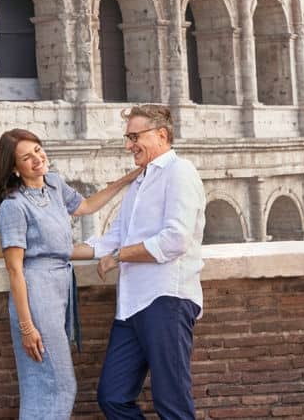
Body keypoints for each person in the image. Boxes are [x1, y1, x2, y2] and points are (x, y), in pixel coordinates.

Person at [0, 128, 138, 420]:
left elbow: (85, 206)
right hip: (38, 293)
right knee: (59, 384)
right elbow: (15, 270)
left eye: (38, 150)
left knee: (45, 383)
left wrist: (127, 179)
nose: (36, 159)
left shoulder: (54, 185)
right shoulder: (13, 207)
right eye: (26, 157)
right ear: (14, 168)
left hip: (60, 289)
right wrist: (27, 327)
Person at [94, 105, 205, 420]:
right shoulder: (139, 184)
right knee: (113, 396)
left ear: (162, 135)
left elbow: (176, 239)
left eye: (134, 137)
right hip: (131, 305)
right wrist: (55, 248)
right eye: (127, 138)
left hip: (166, 300)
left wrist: (119, 257)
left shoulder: (180, 172)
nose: (129, 145)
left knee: (172, 405)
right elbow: (112, 238)